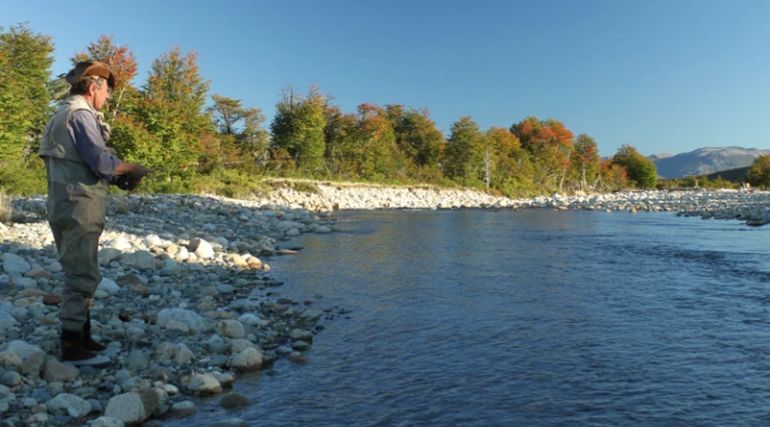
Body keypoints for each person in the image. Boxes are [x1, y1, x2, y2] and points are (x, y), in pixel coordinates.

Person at [39, 61, 150, 366]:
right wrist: (132, 169)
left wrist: (117, 178)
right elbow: (101, 161)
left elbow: (81, 162)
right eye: (107, 93)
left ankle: (84, 336)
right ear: (93, 87)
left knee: (77, 268)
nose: (108, 98)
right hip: (79, 206)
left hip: (61, 204)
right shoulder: (81, 115)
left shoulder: (59, 115)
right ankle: (72, 346)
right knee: (83, 274)